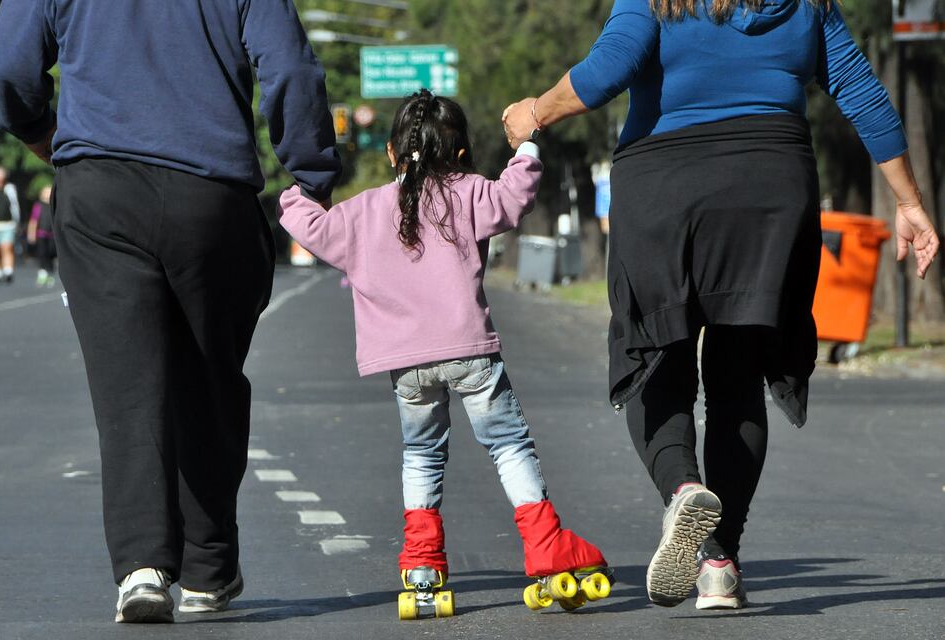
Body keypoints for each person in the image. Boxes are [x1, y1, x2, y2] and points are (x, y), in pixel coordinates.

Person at [502, 0, 939, 611]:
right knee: (739, 380)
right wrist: (910, 203)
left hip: (664, 190)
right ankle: (718, 564)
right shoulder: (809, 5)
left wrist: (533, 112)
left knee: (657, 359)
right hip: (771, 191)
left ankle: (684, 490)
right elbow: (863, 94)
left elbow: (605, 73)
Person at [0, 0, 341, 624]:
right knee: (210, 381)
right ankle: (209, 567)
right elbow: (290, 68)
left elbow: (13, 65)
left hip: (100, 190)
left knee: (128, 389)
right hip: (213, 195)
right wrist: (310, 176)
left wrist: (39, 131)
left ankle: (143, 569)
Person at [279, 90, 610, 611]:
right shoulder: (471, 192)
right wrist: (525, 148)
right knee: (508, 446)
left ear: (392, 153)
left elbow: (311, 226)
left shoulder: (365, 210)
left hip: (405, 367)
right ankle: (546, 545)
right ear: (459, 154)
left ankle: (422, 562)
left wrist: (300, 190)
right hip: (470, 354)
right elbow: (514, 195)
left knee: (422, 453)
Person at [27, 185, 56, 287]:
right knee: (42, 254)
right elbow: (33, 221)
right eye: (46, 192)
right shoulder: (38, 206)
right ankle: (42, 273)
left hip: (53, 235)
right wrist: (31, 233)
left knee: (51, 254)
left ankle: (50, 273)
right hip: (41, 234)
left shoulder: (55, 205)